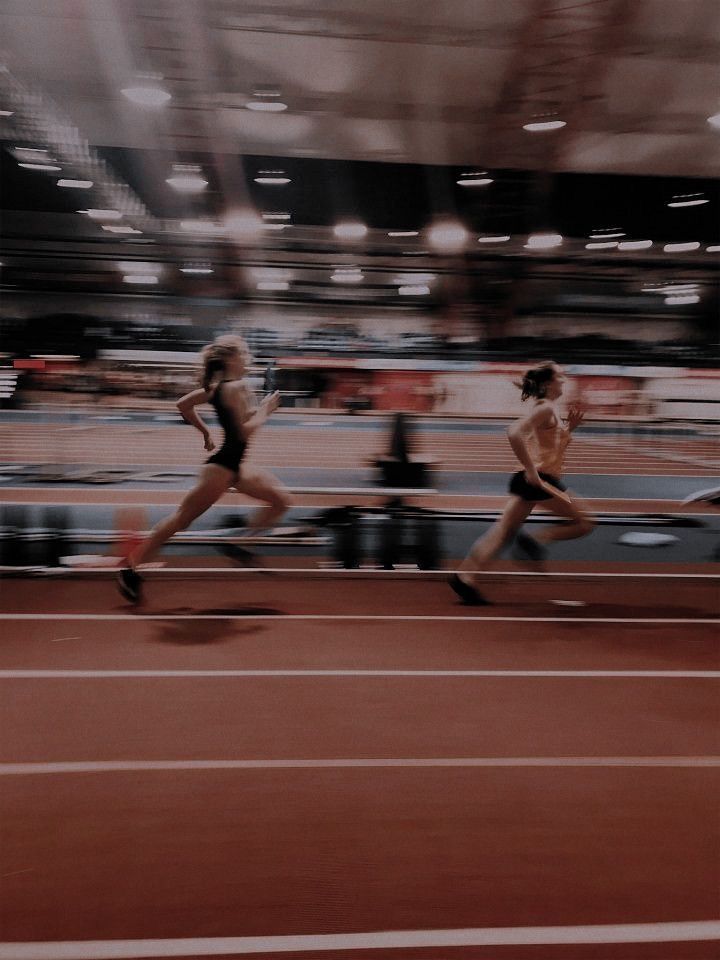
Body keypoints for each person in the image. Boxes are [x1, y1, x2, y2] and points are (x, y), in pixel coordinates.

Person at [117, 335, 292, 603]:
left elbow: (183, 405)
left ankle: (239, 545)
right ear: (231, 358)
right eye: (245, 354)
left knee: (281, 501)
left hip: (236, 467)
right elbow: (245, 433)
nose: (249, 359)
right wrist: (266, 411)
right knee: (180, 520)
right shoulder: (236, 387)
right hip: (222, 469)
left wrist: (206, 432)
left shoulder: (218, 388)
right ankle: (131, 569)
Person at [449, 361, 594, 605]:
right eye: (560, 375)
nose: (565, 378)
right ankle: (537, 539)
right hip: (541, 481)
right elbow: (514, 431)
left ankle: (465, 577)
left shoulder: (549, 409)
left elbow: (551, 450)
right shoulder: (545, 408)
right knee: (586, 521)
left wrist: (570, 429)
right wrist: (532, 472)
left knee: (502, 532)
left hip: (530, 480)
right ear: (548, 383)